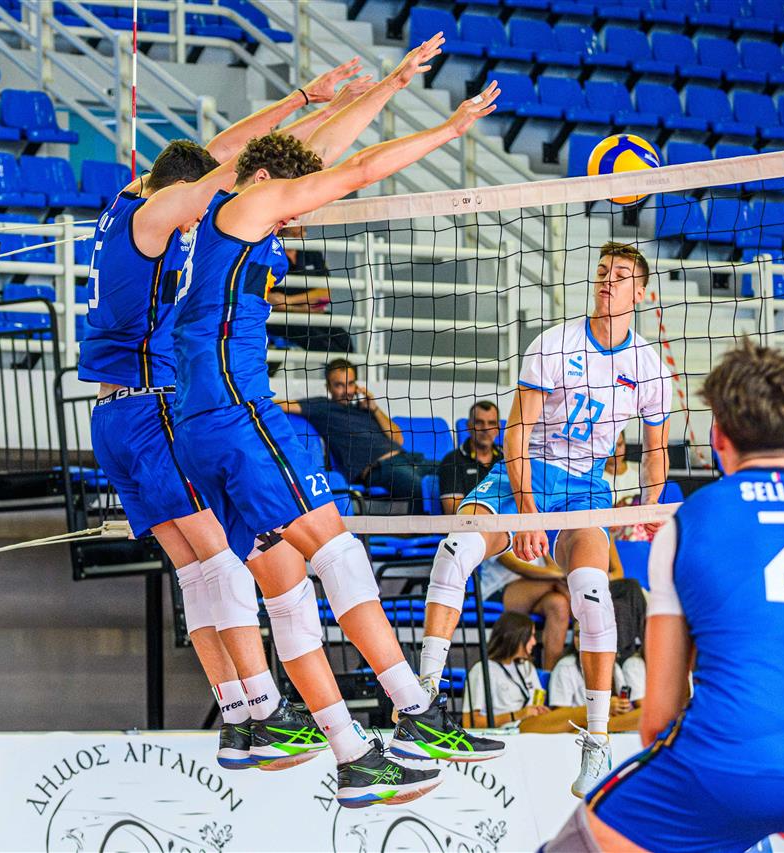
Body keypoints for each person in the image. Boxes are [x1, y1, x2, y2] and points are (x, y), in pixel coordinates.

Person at [172, 46, 505, 801]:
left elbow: (322, 153)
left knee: (288, 588)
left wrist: (389, 86)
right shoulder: (244, 207)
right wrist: (449, 131)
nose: (298, 211)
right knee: (342, 555)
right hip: (237, 416)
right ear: (265, 180)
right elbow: (351, 170)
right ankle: (416, 711)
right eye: (290, 197)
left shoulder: (216, 211)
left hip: (199, 427)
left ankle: (351, 757)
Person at [81, 58, 375, 774]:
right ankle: (267, 712)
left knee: (195, 572)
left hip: (114, 418)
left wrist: (305, 99)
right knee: (225, 560)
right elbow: (236, 171)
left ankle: (240, 718)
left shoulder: (128, 199)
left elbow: (224, 153)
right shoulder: (157, 215)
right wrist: (314, 117)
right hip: (156, 407)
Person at [547, 340, 784, 853]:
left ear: (718, 435)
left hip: (723, 767)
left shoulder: (688, 523)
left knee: (578, 842)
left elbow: (659, 719)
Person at [418, 241, 673, 799]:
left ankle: (598, 741)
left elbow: (656, 452)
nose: (607, 281)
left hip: (585, 487)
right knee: (456, 549)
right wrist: (528, 511)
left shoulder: (650, 368)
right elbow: (516, 432)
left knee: (594, 594)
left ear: (640, 293)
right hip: (529, 469)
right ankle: (421, 704)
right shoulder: (554, 343)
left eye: (620, 275)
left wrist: (650, 506)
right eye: (602, 272)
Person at [435, 403, 571, 671]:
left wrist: (552, 568)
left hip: (533, 564)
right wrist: (556, 574)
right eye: (479, 423)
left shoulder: (510, 459)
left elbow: (536, 521)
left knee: (559, 605)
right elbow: (459, 522)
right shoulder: (454, 461)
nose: (486, 429)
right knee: (566, 586)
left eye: (491, 424)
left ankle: (548, 678)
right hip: (494, 570)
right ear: (469, 426)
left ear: (499, 428)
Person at [279, 359, 433, 512]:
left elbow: (398, 439)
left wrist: (375, 409)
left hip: (410, 459)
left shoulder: (365, 410)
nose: (347, 390)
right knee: (419, 488)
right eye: (339, 385)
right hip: (379, 469)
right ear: (328, 387)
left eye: (350, 383)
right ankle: (421, 527)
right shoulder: (323, 406)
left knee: (445, 474)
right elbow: (282, 405)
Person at [461, 612, 548, 728]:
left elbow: (537, 704)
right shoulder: (482, 670)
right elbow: (469, 722)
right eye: (530, 636)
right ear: (516, 638)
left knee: (566, 722)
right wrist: (516, 715)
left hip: (531, 727)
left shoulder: (526, 666)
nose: (534, 642)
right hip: (508, 730)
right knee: (570, 718)